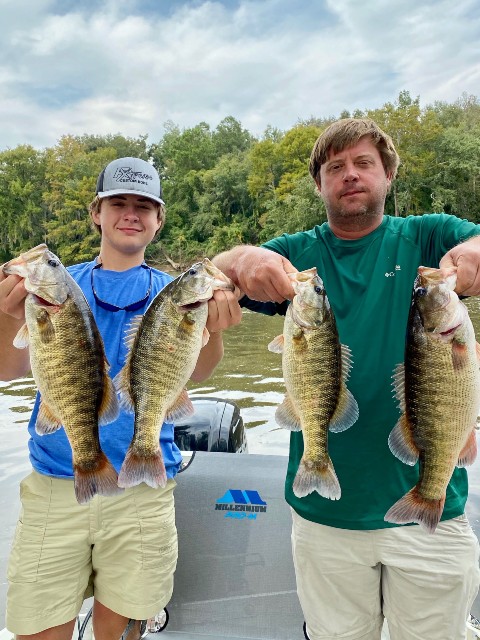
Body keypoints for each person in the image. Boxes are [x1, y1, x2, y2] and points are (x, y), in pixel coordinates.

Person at [213, 118, 480, 640]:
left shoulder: (427, 236)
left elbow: (476, 244)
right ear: (320, 185)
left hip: (434, 503)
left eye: (364, 164)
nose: (350, 176)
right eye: (335, 167)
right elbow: (220, 268)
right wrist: (246, 259)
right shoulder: (301, 255)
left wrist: (471, 257)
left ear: (387, 176)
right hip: (325, 518)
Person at [0, 157, 242, 640]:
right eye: (118, 203)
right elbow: (8, 370)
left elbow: (195, 371)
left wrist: (213, 331)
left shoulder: (170, 292)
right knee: (37, 628)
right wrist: (8, 317)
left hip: (143, 492)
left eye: (143, 206)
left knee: (122, 628)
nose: (130, 214)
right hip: (55, 484)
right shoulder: (58, 286)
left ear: (158, 220)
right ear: (97, 212)